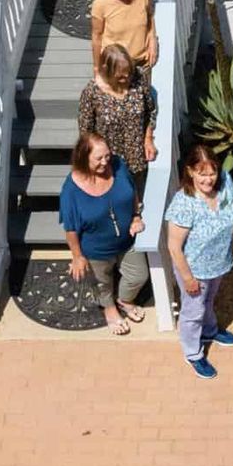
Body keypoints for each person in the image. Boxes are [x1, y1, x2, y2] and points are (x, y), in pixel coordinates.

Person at [59, 130, 146, 335]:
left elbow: (131, 190)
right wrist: (78, 257)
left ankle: (124, 300)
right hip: (96, 250)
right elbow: (70, 229)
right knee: (102, 284)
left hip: (127, 241)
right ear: (83, 157)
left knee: (139, 275)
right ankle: (109, 309)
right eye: (99, 158)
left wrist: (135, 215)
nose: (105, 162)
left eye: (107, 155)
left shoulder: (118, 165)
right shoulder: (71, 191)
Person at [165, 145, 233, 380]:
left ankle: (209, 331)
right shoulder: (184, 203)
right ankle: (193, 352)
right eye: (201, 173)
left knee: (208, 300)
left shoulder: (224, 183)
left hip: (218, 264)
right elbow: (174, 247)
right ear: (190, 172)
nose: (208, 179)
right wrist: (187, 278)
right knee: (193, 311)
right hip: (194, 270)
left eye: (212, 172)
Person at [77, 43, 157, 189]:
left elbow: (151, 111)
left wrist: (148, 139)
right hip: (107, 165)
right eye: (120, 77)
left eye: (129, 74)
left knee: (136, 205)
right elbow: (86, 133)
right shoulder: (92, 92)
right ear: (107, 71)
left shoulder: (139, 80)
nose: (126, 79)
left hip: (136, 161)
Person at [90, 0, 156, 77]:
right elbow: (96, 36)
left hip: (142, 62)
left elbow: (149, 17)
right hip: (116, 67)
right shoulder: (100, 3)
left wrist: (153, 43)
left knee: (143, 94)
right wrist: (97, 68)